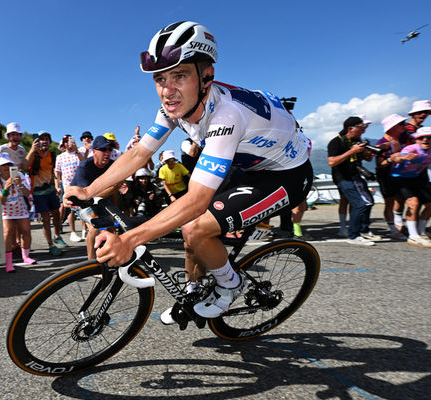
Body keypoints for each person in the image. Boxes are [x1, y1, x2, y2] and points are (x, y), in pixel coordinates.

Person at [64, 21, 313, 321]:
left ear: (207, 75)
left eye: (179, 75)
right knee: (189, 229)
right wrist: (88, 191)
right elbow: (141, 152)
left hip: (287, 174)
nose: (167, 91)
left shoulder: (228, 114)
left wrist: (130, 240)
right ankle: (194, 287)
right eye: (159, 79)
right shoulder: (174, 108)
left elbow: (195, 200)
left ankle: (230, 284)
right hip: (250, 166)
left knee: (196, 227)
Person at [328, 116, 380, 245]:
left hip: (356, 175)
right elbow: (332, 162)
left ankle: (363, 230)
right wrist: (352, 151)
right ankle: (353, 236)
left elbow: (366, 160)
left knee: (369, 202)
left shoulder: (357, 141)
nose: (364, 130)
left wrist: (367, 154)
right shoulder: (336, 142)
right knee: (360, 204)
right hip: (343, 177)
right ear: (351, 128)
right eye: (361, 127)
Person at [70, 136, 120, 260]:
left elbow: (114, 192)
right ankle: (91, 262)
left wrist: (115, 211)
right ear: (94, 151)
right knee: (95, 224)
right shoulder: (84, 166)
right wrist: (113, 189)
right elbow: (86, 196)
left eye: (110, 149)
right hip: (81, 201)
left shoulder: (112, 165)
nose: (107, 152)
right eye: (103, 149)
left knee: (113, 224)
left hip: (101, 199)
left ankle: (111, 257)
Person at [0, 154, 35, 272]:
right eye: (3, 165)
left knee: (26, 231)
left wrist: (20, 185)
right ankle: (8, 262)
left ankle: (26, 256)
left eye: (9, 164)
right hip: (6, 210)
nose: (6, 167)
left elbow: (26, 194)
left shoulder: (19, 175)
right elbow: (1, 200)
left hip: (20, 208)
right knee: (7, 232)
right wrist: (7, 187)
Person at [27, 131, 66, 255]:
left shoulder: (51, 155)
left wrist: (56, 185)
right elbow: (25, 165)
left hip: (50, 190)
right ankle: (50, 245)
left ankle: (57, 235)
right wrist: (32, 150)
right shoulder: (34, 154)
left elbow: (53, 172)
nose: (44, 141)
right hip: (38, 192)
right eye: (41, 139)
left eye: (47, 139)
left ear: (49, 142)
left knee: (56, 214)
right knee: (45, 218)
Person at [375, 114, 409, 240]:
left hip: (402, 175)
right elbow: (379, 164)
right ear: (392, 127)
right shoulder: (382, 143)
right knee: (389, 203)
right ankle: (394, 230)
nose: (404, 126)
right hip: (386, 176)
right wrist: (391, 159)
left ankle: (400, 226)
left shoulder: (404, 137)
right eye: (401, 124)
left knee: (403, 200)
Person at [54, 135, 83, 242]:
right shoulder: (60, 157)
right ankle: (73, 232)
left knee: (83, 207)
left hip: (80, 185)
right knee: (71, 210)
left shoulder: (78, 154)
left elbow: (84, 162)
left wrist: (77, 151)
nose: (68, 144)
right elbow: (57, 172)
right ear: (63, 144)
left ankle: (84, 230)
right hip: (67, 187)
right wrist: (57, 185)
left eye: (70, 141)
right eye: (66, 142)